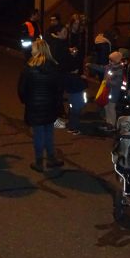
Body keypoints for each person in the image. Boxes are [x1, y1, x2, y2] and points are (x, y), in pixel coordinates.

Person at [18, 39, 64, 172]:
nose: (31, 50)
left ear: (38, 50)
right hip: (50, 105)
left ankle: (39, 162)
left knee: (38, 133)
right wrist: (57, 103)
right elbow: (59, 88)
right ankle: (51, 158)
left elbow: (22, 89)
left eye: (33, 48)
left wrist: (26, 100)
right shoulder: (54, 67)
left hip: (34, 105)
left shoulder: (28, 68)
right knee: (49, 132)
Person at [87, 51, 124, 132]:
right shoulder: (109, 66)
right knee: (106, 107)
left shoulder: (119, 70)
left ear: (116, 61)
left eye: (111, 60)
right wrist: (91, 65)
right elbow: (101, 68)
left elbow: (118, 83)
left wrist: (107, 82)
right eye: (109, 60)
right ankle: (108, 123)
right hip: (107, 91)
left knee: (111, 108)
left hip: (113, 93)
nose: (109, 61)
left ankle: (112, 125)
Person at [63, 68, 88, 135]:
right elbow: (84, 86)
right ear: (76, 70)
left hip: (71, 97)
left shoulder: (67, 77)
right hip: (77, 97)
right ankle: (75, 129)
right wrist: (84, 79)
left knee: (72, 113)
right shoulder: (77, 78)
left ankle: (71, 127)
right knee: (76, 114)